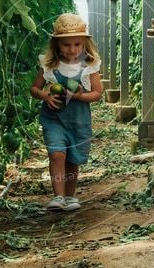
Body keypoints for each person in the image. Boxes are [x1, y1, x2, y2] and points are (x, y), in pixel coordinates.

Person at [30, 13, 103, 211]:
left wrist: (79, 95)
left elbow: (97, 93)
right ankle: (58, 196)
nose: (72, 50)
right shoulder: (49, 66)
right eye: (66, 45)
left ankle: (70, 197)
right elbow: (34, 89)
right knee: (57, 154)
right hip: (53, 118)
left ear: (84, 44)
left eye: (77, 45)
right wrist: (45, 96)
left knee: (72, 159)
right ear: (56, 45)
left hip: (78, 121)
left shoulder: (88, 66)